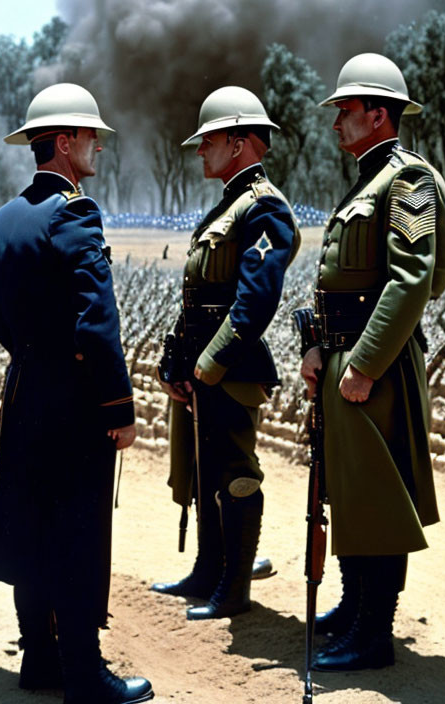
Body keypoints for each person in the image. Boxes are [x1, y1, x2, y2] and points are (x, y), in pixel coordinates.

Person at [0, 83, 153, 704]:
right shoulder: (75, 213)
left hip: (23, 395)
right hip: (76, 406)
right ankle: (83, 673)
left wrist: (37, 356)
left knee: (31, 526)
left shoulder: (2, 221)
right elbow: (97, 323)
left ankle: (38, 659)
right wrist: (119, 406)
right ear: (64, 142)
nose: (98, 144)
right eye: (90, 135)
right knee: (78, 533)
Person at [299, 53, 445, 671]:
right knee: (352, 491)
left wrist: (362, 363)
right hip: (347, 356)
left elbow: (414, 278)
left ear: (380, 114)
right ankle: (355, 604)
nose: (336, 121)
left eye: (346, 110)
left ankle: (373, 633)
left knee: (379, 500)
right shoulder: (370, 178)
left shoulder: (407, 180)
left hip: (376, 364)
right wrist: (317, 346)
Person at [151, 86, 300, 620]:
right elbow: (197, 295)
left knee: (236, 472)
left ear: (238, 142)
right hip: (203, 364)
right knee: (205, 467)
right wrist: (176, 357)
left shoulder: (263, 208)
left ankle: (233, 589)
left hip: (230, 368)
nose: (199, 151)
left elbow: (254, 299)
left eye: (208, 141)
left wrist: (210, 365)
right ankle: (207, 572)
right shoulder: (230, 206)